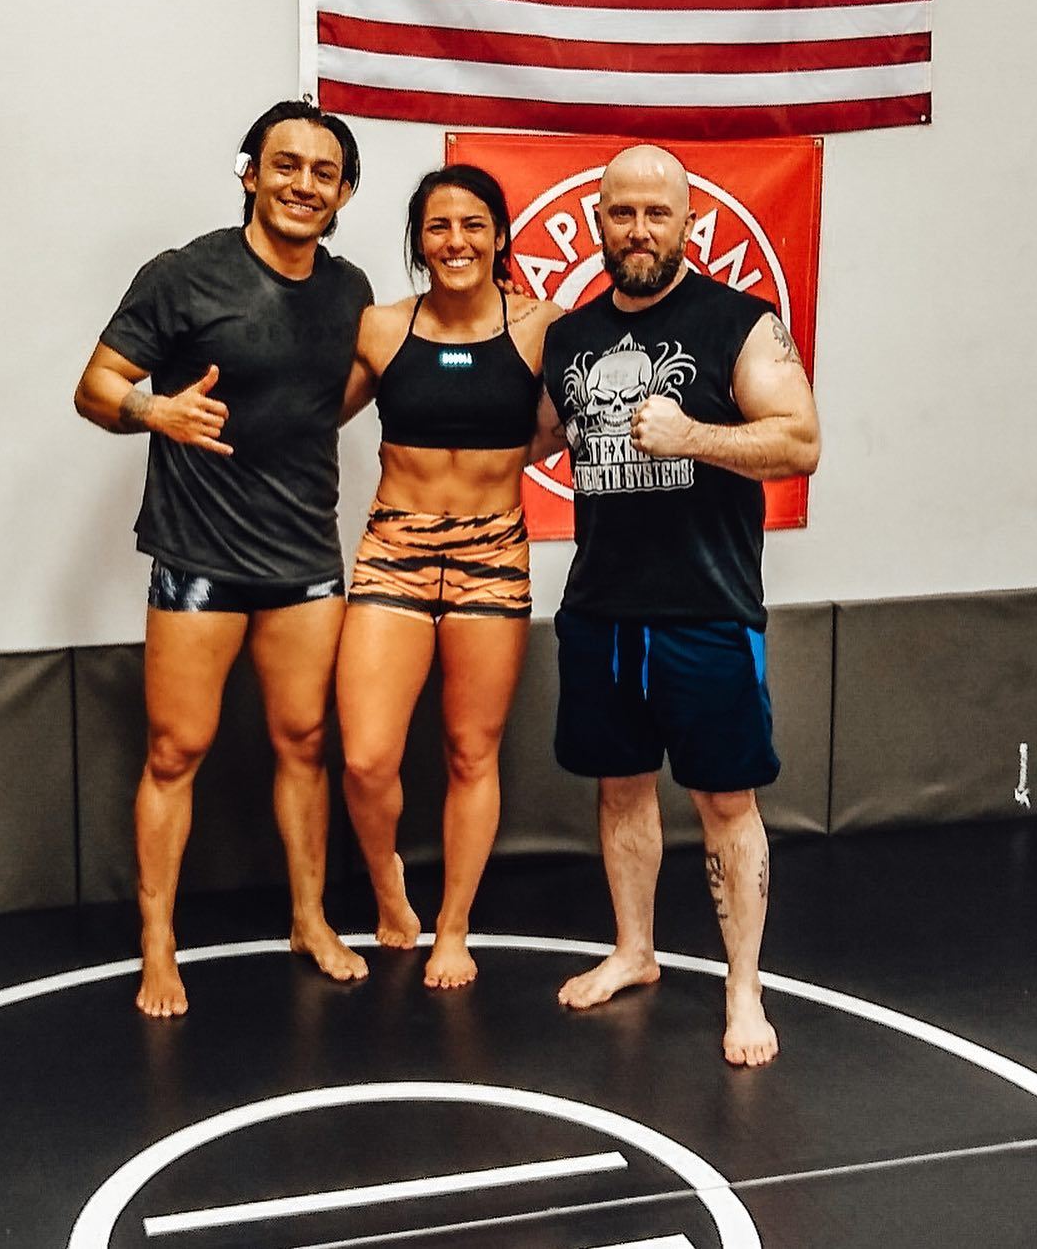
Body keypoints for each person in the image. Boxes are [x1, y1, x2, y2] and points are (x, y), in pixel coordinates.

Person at [74, 100, 373, 1017]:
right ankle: (158, 944)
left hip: (303, 556)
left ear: (343, 194)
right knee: (176, 749)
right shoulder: (184, 274)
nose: (303, 184)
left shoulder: (351, 290)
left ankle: (310, 920)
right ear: (250, 173)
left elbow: (335, 394)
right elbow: (95, 386)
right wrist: (153, 410)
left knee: (305, 741)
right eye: (285, 165)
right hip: (198, 552)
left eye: (323, 173)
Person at [534, 143, 820, 1066]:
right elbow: (527, 436)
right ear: (597, 220)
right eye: (622, 212)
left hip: (706, 607)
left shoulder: (740, 322)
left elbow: (801, 441)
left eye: (657, 212)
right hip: (601, 607)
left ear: (689, 221)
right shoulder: (572, 336)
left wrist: (692, 433)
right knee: (620, 786)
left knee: (725, 799)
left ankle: (744, 987)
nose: (639, 229)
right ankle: (635, 949)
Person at [337, 165, 561, 989]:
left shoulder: (542, 327)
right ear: (419, 239)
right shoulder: (381, 327)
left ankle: (454, 925)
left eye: (473, 224)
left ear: (499, 235)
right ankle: (388, 882)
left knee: (471, 751)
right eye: (438, 226)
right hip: (395, 546)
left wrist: (497, 463)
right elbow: (308, 413)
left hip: (492, 554)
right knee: (367, 758)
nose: (456, 240)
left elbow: (563, 426)